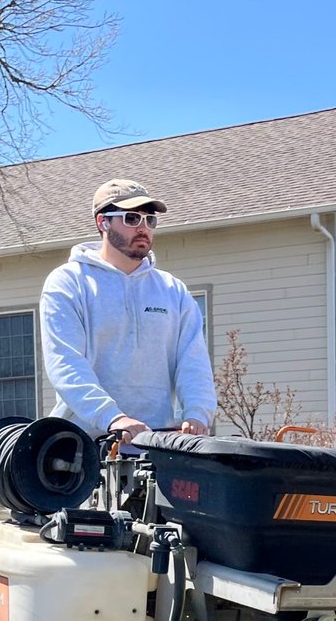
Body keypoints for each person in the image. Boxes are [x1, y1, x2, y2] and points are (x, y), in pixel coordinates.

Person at [39, 179, 217, 443]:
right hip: (85, 447)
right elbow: (65, 362)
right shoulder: (69, 282)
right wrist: (113, 417)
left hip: (158, 444)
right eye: (132, 218)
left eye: (150, 220)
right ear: (103, 222)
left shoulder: (173, 290)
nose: (143, 227)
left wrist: (198, 415)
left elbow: (194, 362)